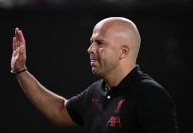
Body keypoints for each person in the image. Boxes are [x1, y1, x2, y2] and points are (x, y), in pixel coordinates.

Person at [10, 17, 178, 133]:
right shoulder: (96, 91)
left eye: (99, 43)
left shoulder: (151, 96)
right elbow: (60, 111)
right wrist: (21, 70)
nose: (90, 49)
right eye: (92, 42)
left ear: (123, 51)